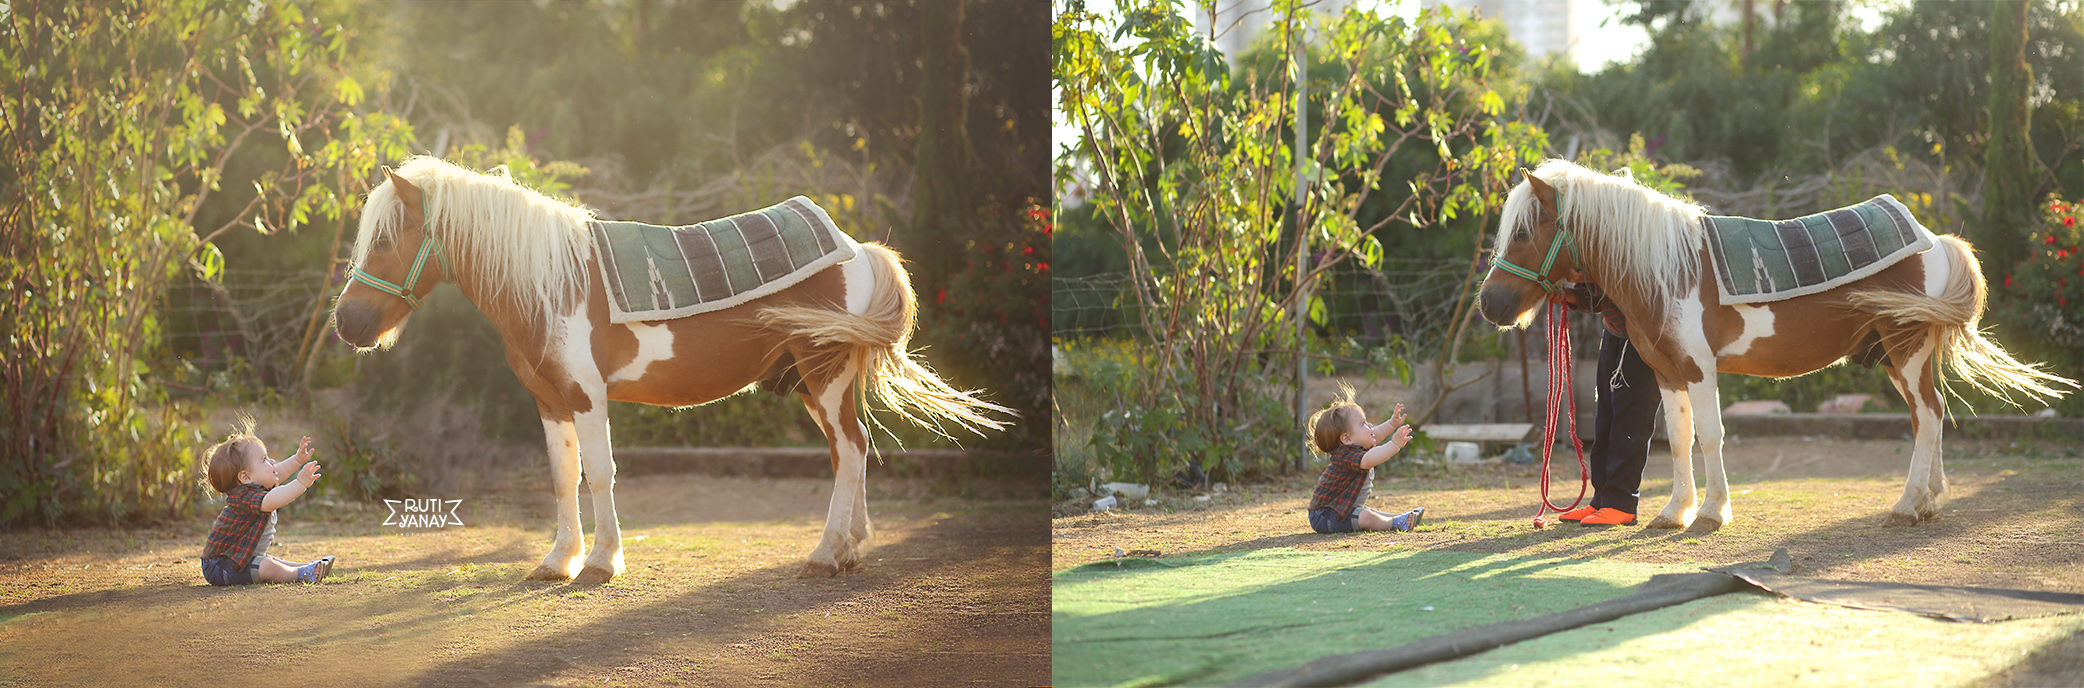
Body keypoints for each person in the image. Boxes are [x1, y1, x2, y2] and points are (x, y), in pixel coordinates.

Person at [1554, 275, 1659, 527]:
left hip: (1645, 331)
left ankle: (1622, 503)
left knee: (1631, 419)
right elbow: (1599, 296)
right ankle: (1602, 499)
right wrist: (1571, 295)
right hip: (1614, 332)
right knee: (1605, 417)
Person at [200, 422, 336, 585]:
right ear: (246, 477)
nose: (272, 461)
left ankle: (306, 567)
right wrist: (300, 483)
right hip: (220, 566)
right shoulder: (244, 497)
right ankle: (302, 573)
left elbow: (279, 472)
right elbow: (272, 501)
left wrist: (297, 459)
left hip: (239, 558)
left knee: (270, 561)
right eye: (264, 459)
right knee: (267, 566)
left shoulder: (256, 486)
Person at [1304, 392, 1426, 534]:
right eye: (1363, 424)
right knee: (1366, 516)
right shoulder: (1345, 456)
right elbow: (1369, 460)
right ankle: (1396, 523)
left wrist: (1392, 423)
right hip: (1325, 516)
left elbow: (1376, 434)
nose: (1370, 425)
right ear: (1347, 439)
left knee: (1368, 512)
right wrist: (1394, 444)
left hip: (1340, 510)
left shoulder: (1356, 445)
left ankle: (1400, 517)